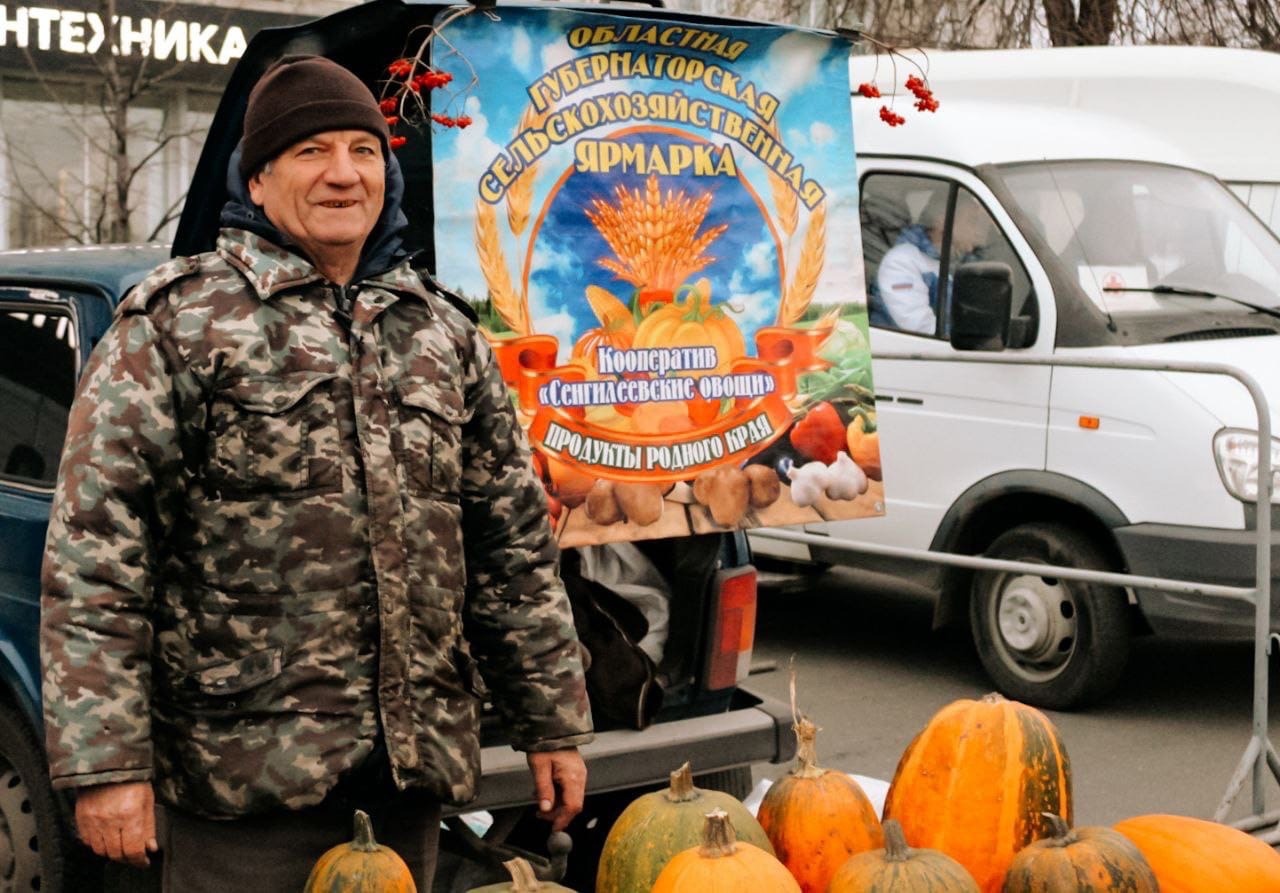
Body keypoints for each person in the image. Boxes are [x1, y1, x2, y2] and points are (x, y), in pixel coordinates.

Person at [39, 55, 592, 892]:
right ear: (256, 181)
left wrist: (552, 720)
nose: (343, 174)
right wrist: (105, 766)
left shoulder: (443, 333)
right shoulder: (177, 325)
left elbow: (511, 548)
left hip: (408, 782)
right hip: (242, 794)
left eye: (362, 151)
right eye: (310, 152)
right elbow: (96, 559)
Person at [873, 190, 992, 335]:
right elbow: (923, 330)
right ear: (942, 221)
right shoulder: (901, 262)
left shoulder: (957, 261)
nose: (977, 230)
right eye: (972, 221)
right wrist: (976, 336)